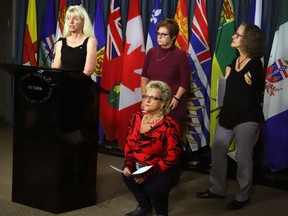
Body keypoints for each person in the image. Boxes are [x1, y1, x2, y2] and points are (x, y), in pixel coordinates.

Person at [196, 24, 265, 210]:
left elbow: (257, 83)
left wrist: (252, 80)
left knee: (244, 159)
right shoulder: (233, 62)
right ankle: (217, 188)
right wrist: (229, 72)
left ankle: (243, 196)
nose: (233, 36)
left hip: (247, 117)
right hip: (227, 115)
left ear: (248, 39)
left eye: (238, 34)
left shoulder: (256, 64)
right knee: (218, 150)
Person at [122, 80, 182, 216]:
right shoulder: (135, 118)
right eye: (145, 96)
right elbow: (128, 144)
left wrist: (147, 173)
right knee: (126, 176)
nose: (147, 100)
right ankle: (145, 207)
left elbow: (172, 157)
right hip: (139, 164)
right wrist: (128, 164)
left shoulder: (170, 126)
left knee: (153, 186)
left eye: (153, 98)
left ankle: (161, 212)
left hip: (161, 168)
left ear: (163, 103)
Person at [141, 18, 190, 125]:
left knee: (169, 139)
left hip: (171, 106)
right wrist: (145, 97)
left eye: (164, 34)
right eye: (158, 33)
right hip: (152, 105)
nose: (159, 37)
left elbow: (185, 81)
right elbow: (144, 76)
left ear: (173, 37)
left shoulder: (180, 55)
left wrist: (177, 98)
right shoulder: (152, 52)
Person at [52, 5, 97, 75]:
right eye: (68, 18)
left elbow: (89, 70)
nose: (71, 22)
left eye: (75, 19)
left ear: (83, 22)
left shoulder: (90, 41)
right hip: (63, 83)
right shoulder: (61, 42)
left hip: (82, 83)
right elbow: (55, 69)